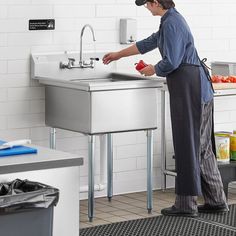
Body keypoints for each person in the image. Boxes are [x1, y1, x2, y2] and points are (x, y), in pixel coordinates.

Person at [103, 0, 229, 217]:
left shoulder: (171, 23)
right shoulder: (170, 20)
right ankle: (216, 200)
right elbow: (147, 43)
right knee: (201, 148)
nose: (146, 8)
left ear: (156, 2)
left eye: (147, 4)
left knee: (187, 145)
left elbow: (172, 61)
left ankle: (186, 205)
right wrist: (117, 54)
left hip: (191, 89)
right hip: (197, 90)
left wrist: (153, 68)